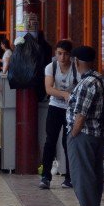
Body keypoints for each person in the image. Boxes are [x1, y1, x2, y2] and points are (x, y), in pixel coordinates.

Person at [65, 45, 104, 206]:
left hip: (84, 134)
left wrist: (73, 134)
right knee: (93, 173)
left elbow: (81, 114)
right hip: (96, 133)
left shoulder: (87, 83)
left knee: (82, 173)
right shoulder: (100, 79)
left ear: (76, 62)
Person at [40, 40, 77, 190]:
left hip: (70, 109)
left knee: (68, 142)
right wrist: (64, 94)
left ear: (71, 55)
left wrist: (65, 95)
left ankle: (69, 177)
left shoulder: (76, 68)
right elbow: (48, 89)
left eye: (66, 54)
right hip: (55, 107)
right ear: (55, 54)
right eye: (59, 53)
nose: (62, 58)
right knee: (50, 141)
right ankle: (45, 176)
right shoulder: (51, 67)